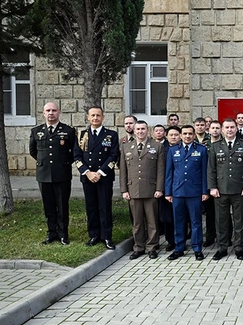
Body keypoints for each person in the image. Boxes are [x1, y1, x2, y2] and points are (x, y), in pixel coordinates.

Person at [29, 102, 77, 245]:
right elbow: (33, 151)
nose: (51, 113)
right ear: (43, 113)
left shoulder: (68, 131)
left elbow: (74, 153)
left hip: (62, 174)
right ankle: (51, 233)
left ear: (59, 112)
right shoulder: (36, 131)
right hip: (43, 175)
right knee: (48, 206)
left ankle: (63, 234)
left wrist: (63, 163)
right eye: (48, 110)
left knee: (62, 206)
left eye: (54, 110)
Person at [73, 106, 119, 250]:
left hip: (103, 177)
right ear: (88, 117)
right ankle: (93, 235)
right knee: (91, 206)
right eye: (92, 115)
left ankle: (107, 237)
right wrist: (88, 172)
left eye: (98, 115)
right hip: (88, 177)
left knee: (105, 207)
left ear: (103, 117)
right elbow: (77, 156)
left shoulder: (111, 135)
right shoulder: (81, 135)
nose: (95, 118)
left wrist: (99, 173)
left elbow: (113, 156)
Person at [208, 119, 243, 261]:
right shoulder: (215, 147)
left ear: (236, 129)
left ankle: (239, 248)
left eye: (232, 127)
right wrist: (212, 187)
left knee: (239, 220)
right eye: (226, 127)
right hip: (220, 191)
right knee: (221, 220)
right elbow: (211, 170)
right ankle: (222, 247)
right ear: (222, 129)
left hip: (239, 190)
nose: (229, 130)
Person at [120, 120, 165, 260]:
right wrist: (124, 190)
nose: (140, 131)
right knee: (137, 222)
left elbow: (160, 170)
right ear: (133, 130)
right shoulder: (126, 147)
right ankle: (138, 247)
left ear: (148, 130)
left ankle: (152, 247)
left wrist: (159, 188)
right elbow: (123, 171)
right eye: (138, 129)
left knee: (152, 221)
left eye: (143, 129)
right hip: (133, 189)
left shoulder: (157, 146)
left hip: (151, 189)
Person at [165, 125, 209, 261]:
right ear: (181, 135)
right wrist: (168, 192)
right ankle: (179, 248)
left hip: (194, 192)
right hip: (177, 192)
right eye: (185, 134)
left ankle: (197, 249)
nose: (187, 136)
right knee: (179, 221)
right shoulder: (173, 151)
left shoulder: (201, 150)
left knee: (196, 222)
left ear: (194, 135)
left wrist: (204, 191)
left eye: (190, 134)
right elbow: (169, 173)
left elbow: (204, 173)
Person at [158, 126, 182, 251]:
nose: (173, 137)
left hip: (181, 187)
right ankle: (170, 241)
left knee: (181, 217)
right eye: (171, 135)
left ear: (180, 136)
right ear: (166, 136)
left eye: (176, 135)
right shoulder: (161, 149)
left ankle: (181, 240)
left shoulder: (184, 148)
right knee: (167, 217)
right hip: (166, 188)